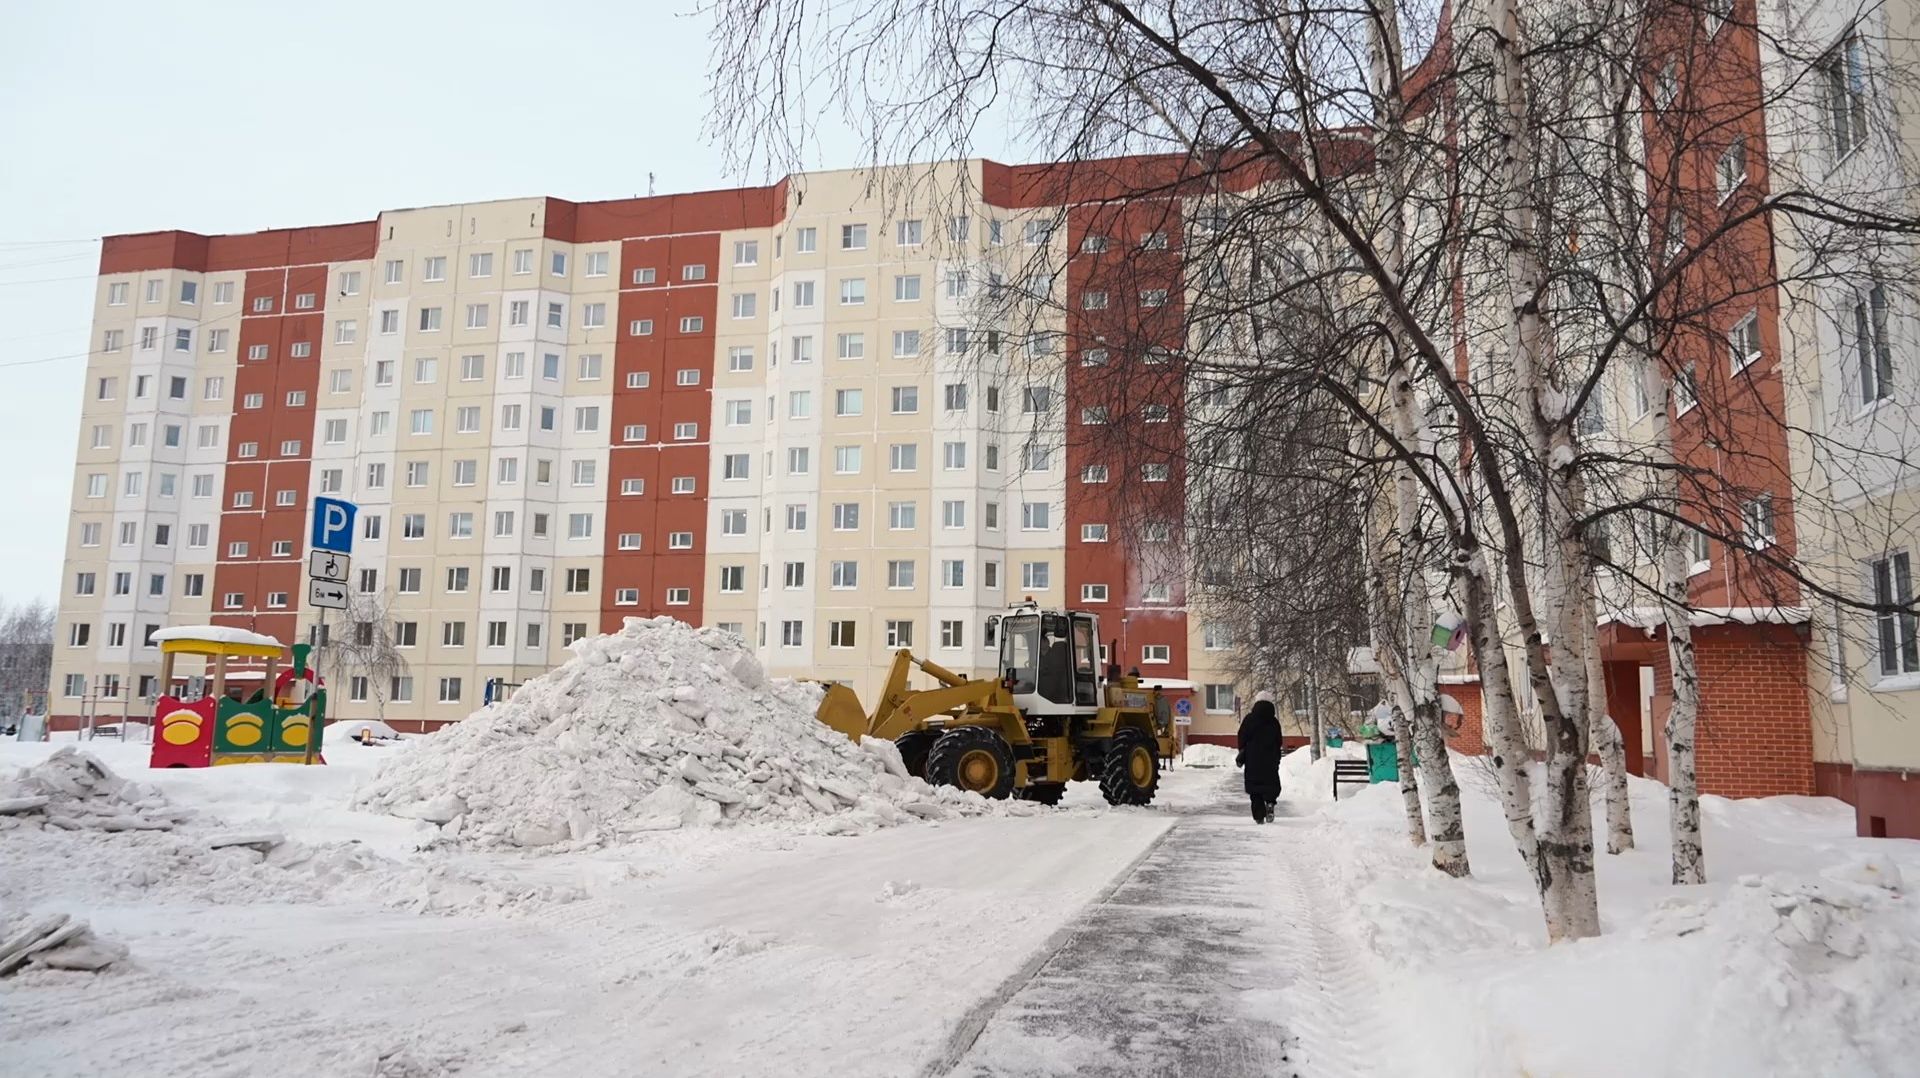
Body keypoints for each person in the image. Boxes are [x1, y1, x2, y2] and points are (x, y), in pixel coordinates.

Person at [1236, 691, 1283, 824]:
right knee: (1270, 784)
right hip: (1270, 759)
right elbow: (1279, 740)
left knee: (1254, 788)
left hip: (1253, 759)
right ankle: (1270, 803)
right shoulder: (1274, 722)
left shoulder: (1249, 719)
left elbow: (1242, 737)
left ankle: (1258, 815)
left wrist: (1243, 751)